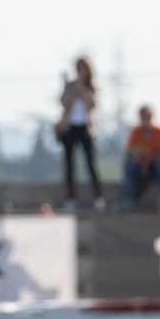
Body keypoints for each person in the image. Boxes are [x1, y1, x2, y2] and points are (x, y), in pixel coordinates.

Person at [56, 58, 102, 210]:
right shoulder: (69, 85)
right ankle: (70, 198)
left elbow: (92, 104)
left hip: (85, 127)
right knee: (69, 164)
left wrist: (81, 88)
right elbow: (63, 102)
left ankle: (98, 197)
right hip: (70, 126)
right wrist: (68, 89)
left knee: (90, 163)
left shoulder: (91, 86)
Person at [121, 104, 160, 210]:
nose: (145, 119)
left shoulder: (159, 131)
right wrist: (141, 156)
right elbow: (130, 150)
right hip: (140, 164)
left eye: (148, 116)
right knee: (129, 164)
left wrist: (146, 156)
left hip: (154, 164)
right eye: (143, 116)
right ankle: (129, 200)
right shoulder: (136, 132)